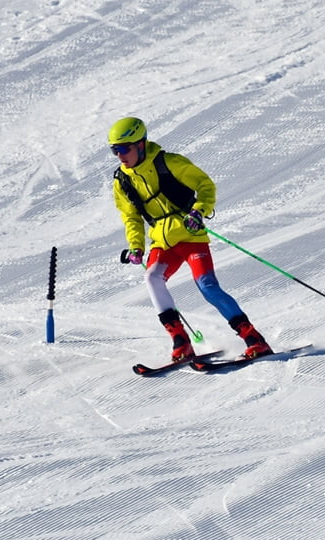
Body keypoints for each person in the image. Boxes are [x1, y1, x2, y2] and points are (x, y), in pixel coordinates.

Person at [108, 116, 272, 362]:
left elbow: (205, 185)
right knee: (152, 278)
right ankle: (180, 342)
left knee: (208, 287)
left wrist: (199, 211)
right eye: (114, 150)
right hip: (163, 242)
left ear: (140, 144)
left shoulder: (169, 162)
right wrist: (136, 247)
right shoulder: (122, 181)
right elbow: (130, 217)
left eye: (124, 148)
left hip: (190, 235)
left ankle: (254, 339)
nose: (120, 155)